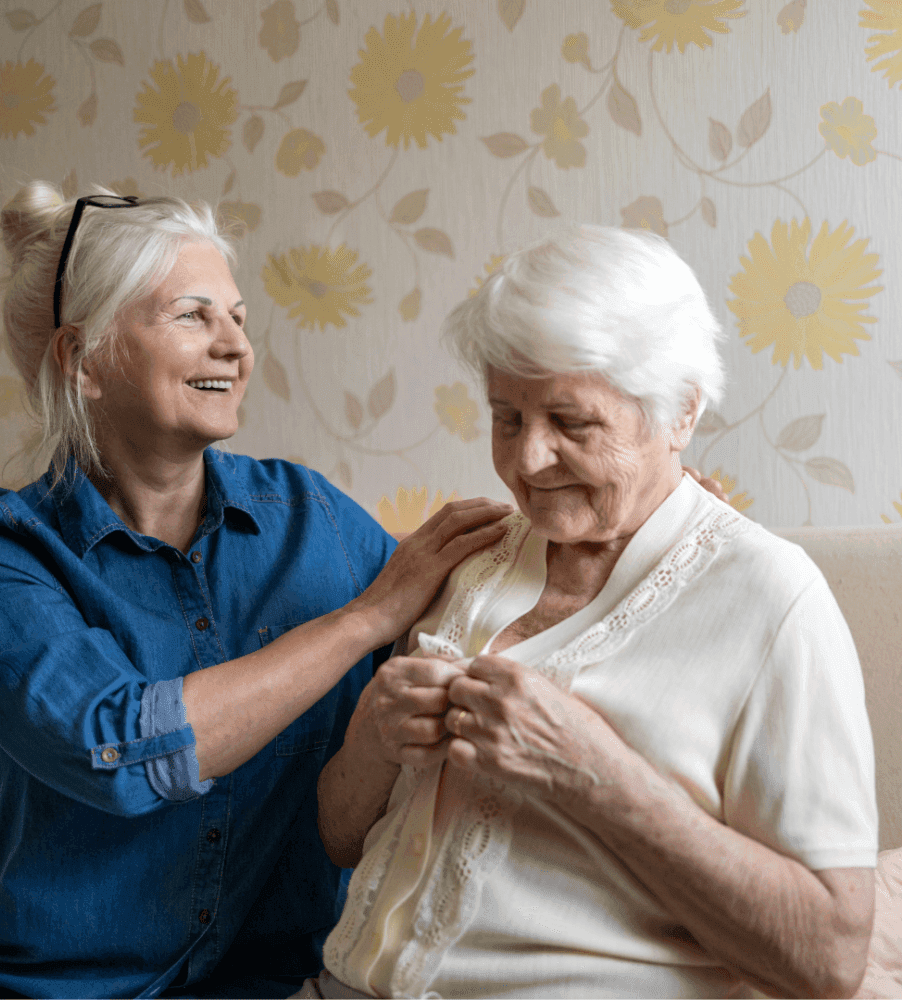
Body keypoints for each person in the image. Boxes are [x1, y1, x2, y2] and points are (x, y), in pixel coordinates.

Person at [0, 184, 515, 999]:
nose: (236, 346)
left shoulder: (313, 519)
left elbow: (484, 620)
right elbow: (119, 751)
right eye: (192, 316)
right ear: (82, 361)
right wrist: (360, 621)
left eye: (237, 318)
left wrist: (641, 527)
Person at [304, 227, 878, 1000]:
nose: (527, 460)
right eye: (507, 418)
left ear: (680, 413)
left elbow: (831, 960)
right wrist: (375, 731)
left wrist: (594, 775)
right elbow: (341, 839)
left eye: (572, 424)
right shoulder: (468, 556)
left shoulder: (771, 598)